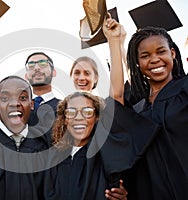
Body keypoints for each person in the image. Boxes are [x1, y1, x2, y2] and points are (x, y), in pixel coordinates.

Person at [103, 13, 188, 199]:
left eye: (161, 51)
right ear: (138, 63)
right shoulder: (138, 105)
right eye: (145, 56)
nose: (155, 59)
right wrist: (114, 41)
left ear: (172, 53)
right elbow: (116, 96)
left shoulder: (184, 89)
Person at [45, 91, 127, 200]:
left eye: (87, 112)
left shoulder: (105, 157)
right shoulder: (54, 156)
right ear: (64, 119)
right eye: (71, 112)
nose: (79, 117)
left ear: (97, 117)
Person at [24, 52, 61, 145]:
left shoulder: (64, 108)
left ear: (54, 72)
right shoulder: (18, 108)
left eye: (43, 64)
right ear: (26, 76)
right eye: (31, 65)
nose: (36, 68)